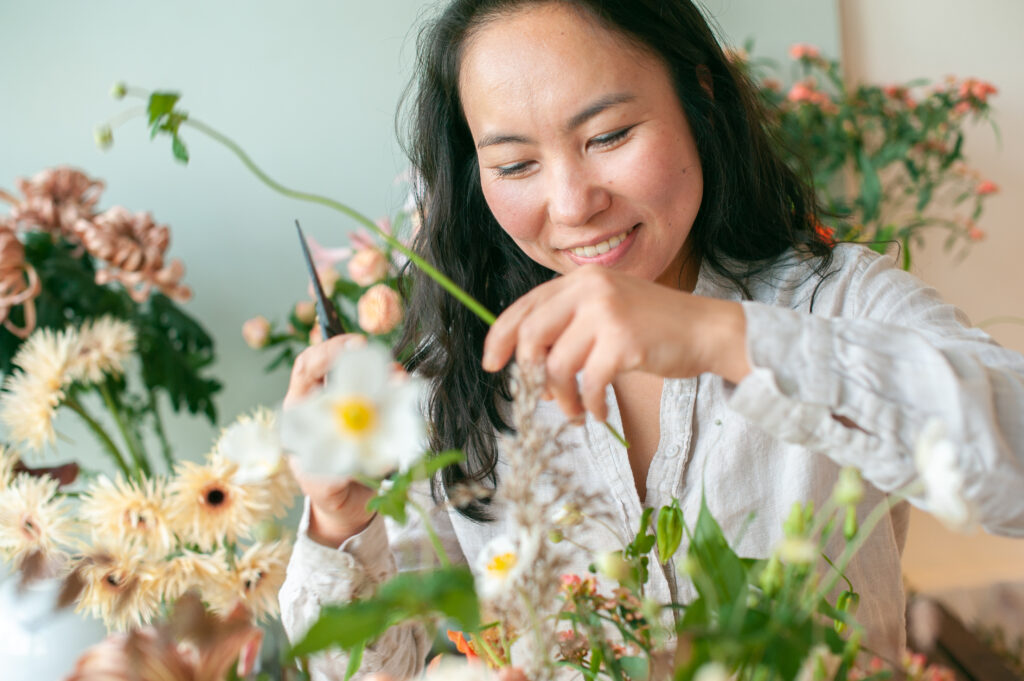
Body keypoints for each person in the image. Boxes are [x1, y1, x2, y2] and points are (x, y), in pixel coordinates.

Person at [278, 1, 1024, 679]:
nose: (572, 205)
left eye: (609, 135)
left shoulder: (837, 300)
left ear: (699, 95)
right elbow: (364, 666)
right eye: (515, 164)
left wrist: (723, 337)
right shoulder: (461, 376)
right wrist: (343, 515)